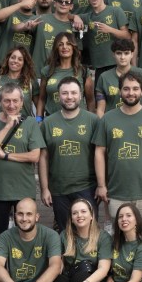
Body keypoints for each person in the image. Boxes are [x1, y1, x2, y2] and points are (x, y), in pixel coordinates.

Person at [93, 72, 142, 237]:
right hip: (117, 192)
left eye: (135, 89)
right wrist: (101, 185)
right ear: (120, 91)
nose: (131, 93)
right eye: (126, 89)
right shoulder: (107, 119)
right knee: (119, 238)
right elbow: (99, 152)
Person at [0, 83, 46, 241]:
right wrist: (8, 126)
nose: (11, 105)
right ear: (0, 102)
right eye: (7, 101)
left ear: (22, 102)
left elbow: (35, 156)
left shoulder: (30, 123)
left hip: (23, 189)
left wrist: (6, 156)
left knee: (25, 233)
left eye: (15, 101)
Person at [39, 77, 99, 232]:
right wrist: (44, 188)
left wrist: (102, 185)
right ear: (58, 96)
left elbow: (100, 154)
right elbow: (43, 157)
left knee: (89, 232)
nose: (69, 97)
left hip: (87, 187)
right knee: (66, 233)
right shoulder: (48, 123)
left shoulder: (93, 121)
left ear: (81, 95)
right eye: (65, 93)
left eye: (73, 92)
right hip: (59, 189)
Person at [78, 0, 130, 83]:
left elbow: (127, 36)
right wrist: (75, 17)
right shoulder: (87, 17)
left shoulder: (115, 11)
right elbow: (67, 16)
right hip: (98, 66)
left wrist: (109, 29)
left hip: (116, 63)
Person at [20, 0, 80, 74]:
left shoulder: (75, 25)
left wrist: (76, 17)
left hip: (61, 75)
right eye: (60, 1)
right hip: (37, 73)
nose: (63, 4)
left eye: (67, 2)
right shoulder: (41, 19)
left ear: (71, 6)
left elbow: (77, 53)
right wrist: (24, 26)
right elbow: (16, 27)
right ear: (54, 3)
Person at [95, 38, 142, 117]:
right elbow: (100, 109)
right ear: (113, 54)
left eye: (126, 53)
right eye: (119, 53)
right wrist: (102, 123)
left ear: (132, 54)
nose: (122, 57)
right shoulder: (104, 77)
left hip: (139, 121)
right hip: (112, 121)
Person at [37, 31, 94, 117]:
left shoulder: (83, 71)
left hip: (78, 121)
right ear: (56, 48)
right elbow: (41, 99)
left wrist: (91, 121)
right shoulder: (47, 71)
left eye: (68, 44)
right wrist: (39, 119)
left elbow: (90, 100)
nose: (64, 47)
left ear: (73, 47)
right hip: (52, 121)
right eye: (60, 44)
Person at [0, 0, 38, 69]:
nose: (28, 1)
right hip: (4, 63)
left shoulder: (37, 19)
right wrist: (21, 4)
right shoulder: (10, 13)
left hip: (24, 66)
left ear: (36, 0)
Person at [0, 46, 39, 119]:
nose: (15, 61)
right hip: (0, 124)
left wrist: (38, 121)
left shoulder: (31, 82)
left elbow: (39, 107)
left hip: (24, 124)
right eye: (13, 57)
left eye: (20, 59)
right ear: (8, 59)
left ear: (24, 63)